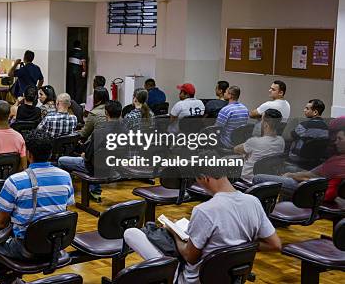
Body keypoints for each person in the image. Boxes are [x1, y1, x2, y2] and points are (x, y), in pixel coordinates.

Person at [124, 166, 281, 284]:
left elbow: (190, 257)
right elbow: (275, 244)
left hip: (194, 280)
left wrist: (172, 231)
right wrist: (241, 246)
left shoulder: (204, 210)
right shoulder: (253, 202)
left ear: (205, 177)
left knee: (131, 233)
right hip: (230, 276)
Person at [0, 129, 75, 264]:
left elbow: (1, 223)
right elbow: (63, 209)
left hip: (25, 248)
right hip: (55, 244)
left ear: (28, 154)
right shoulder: (65, 176)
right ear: (51, 153)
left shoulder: (14, 181)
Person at [254, 128, 345, 202]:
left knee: (257, 178)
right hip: (316, 183)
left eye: (340, 139)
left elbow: (309, 176)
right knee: (288, 167)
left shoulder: (338, 162)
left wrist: (290, 175)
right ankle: (282, 211)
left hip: (312, 189)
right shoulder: (338, 159)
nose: (336, 142)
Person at [59, 100, 122, 202]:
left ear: (106, 113)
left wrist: (84, 154)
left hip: (95, 168)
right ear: (120, 113)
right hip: (114, 167)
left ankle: (66, 192)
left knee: (62, 160)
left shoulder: (100, 131)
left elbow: (87, 156)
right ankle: (94, 189)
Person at [234, 109, 285, 183]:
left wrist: (247, 152)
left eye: (261, 119)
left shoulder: (254, 141)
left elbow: (235, 149)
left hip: (247, 181)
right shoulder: (281, 141)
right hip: (267, 181)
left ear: (265, 124)